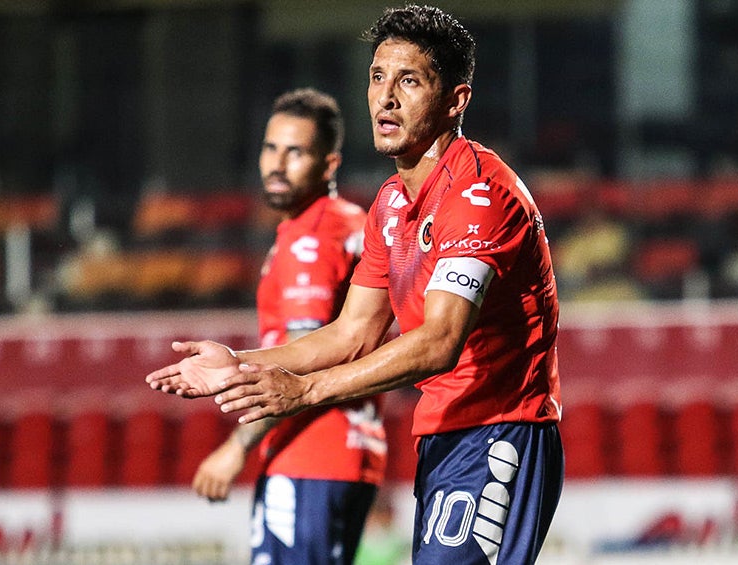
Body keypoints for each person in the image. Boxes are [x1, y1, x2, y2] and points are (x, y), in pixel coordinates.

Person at [147, 5, 563, 564]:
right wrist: (241, 364)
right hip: (443, 435)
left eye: (408, 81)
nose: (384, 97)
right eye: (376, 77)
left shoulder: (478, 197)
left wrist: (306, 392)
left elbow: (440, 343)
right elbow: (351, 334)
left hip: (502, 431)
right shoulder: (390, 205)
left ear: (456, 101)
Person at [186, 88, 387, 565]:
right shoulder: (348, 222)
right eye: (270, 148)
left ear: (330, 163)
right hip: (350, 452)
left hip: (309, 454)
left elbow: (304, 355)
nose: (278, 163)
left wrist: (236, 447)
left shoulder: (310, 238)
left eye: (296, 151)